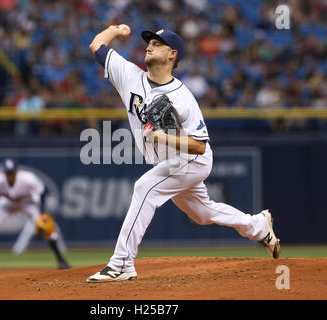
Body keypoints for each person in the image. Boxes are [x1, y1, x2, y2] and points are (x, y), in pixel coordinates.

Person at [86, 25, 281, 282]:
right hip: (168, 161)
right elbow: (97, 46)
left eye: (158, 43)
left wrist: (162, 136)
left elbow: (200, 145)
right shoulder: (129, 75)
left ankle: (122, 263)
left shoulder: (183, 97)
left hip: (192, 160)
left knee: (145, 187)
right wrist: (115, 29)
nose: (150, 45)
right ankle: (258, 225)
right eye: (149, 41)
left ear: (172, 54)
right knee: (202, 213)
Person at [0, 158, 70, 271]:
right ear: (4, 172)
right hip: (6, 204)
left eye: (12, 172)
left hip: (27, 203)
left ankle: (61, 261)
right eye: (7, 172)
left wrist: (42, 213)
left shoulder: (28, 178)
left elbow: (42, 191)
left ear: (17, 171)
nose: (10, 175)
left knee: (47, 226)